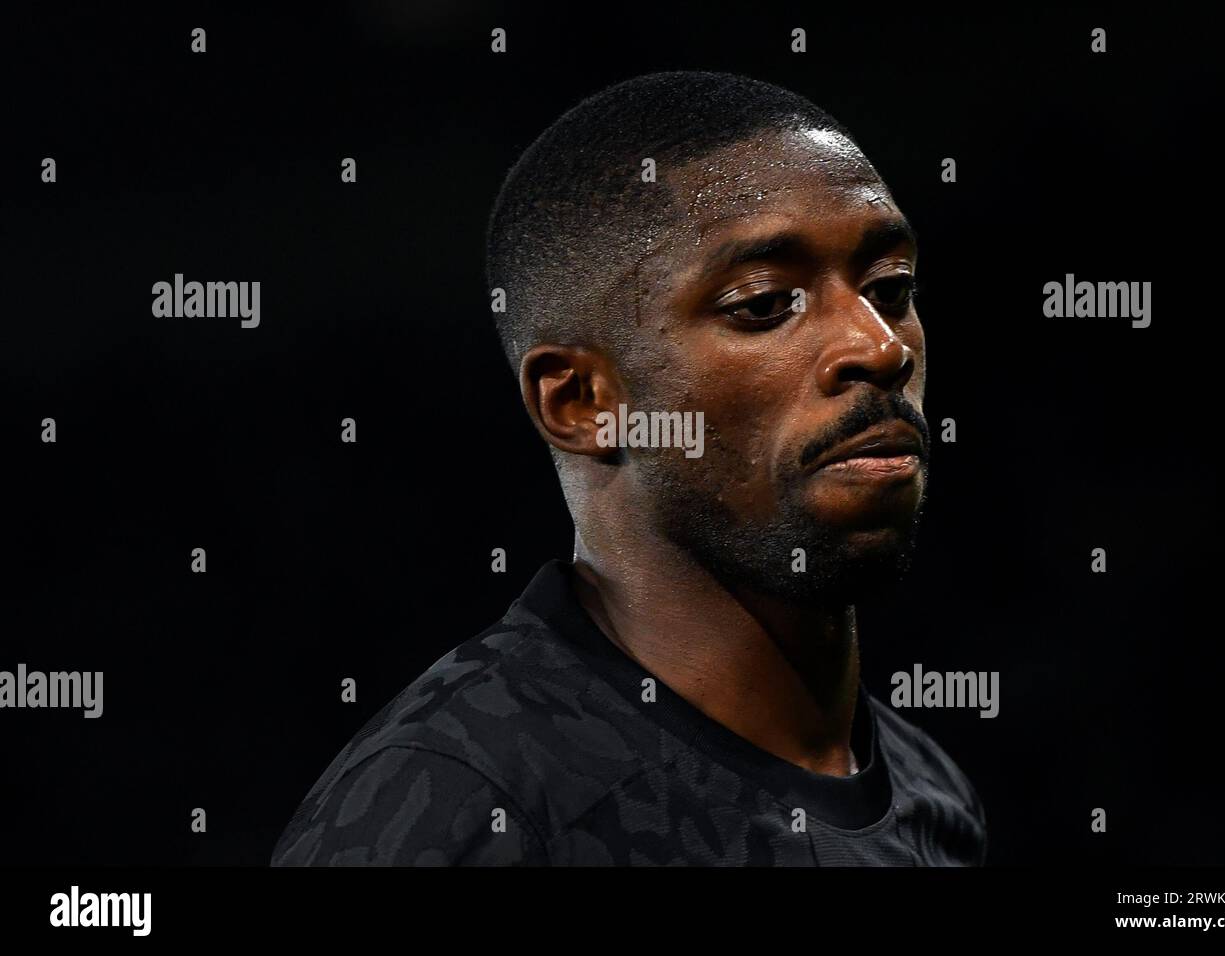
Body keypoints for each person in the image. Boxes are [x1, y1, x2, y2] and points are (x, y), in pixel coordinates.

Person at [272, 70, 987, 866]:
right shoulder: (467, 810)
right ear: (581, 403)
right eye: (763, 303)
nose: (881, 347)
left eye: (891, 288)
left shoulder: (932, 790)